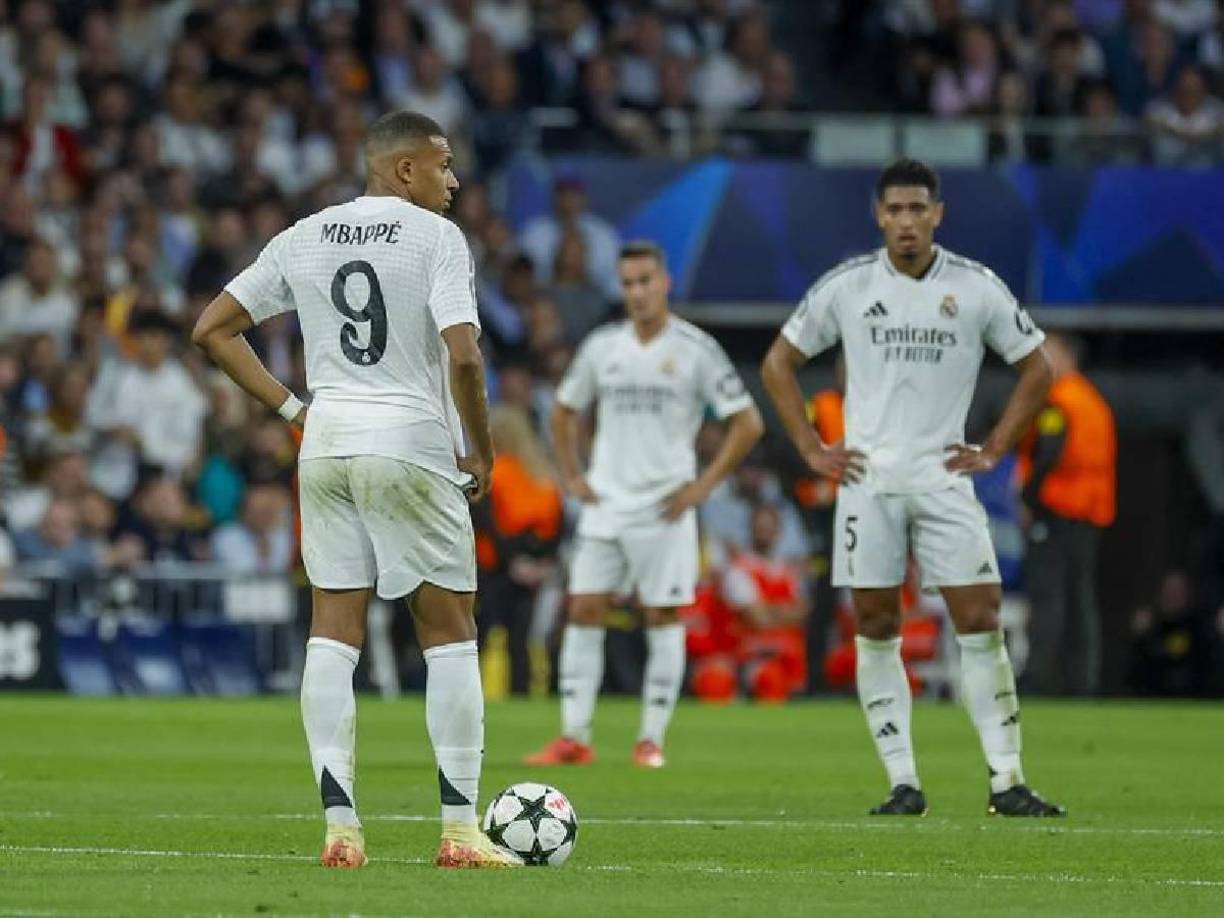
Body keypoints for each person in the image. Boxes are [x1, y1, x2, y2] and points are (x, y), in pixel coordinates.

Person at [192, 111, 518, 869]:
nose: (453, 180)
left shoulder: (305, 234)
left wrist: (291, 410)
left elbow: (211, 328)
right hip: (408, 439)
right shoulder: (437, 239)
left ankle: (341, 828)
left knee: (332, 631)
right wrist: (483, 447)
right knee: (449, 632)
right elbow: (464, 359)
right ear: (404, 170)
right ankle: (461, 832)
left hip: (329, 438)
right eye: (442, 165)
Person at [760, 159, 1066, 818]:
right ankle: (903, 781)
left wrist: (997, 449)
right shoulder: (847, 286)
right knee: (875, 625)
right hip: (868, 482)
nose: (906, 222)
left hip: (944, 477)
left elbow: (1037, 370)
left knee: (980, 618)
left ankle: (1007, 780)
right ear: (879, 216)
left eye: (917, 210)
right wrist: (812, 448)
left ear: (938, 214)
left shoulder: (975, 287)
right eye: (894, 210)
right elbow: (778, 363)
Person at [524, 239, 764, 769]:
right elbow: (564, 412)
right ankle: (574, 737)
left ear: (665, 283)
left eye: (644, 281)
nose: (636, 292)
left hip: (665, 506)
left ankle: (651, 738)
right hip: (606, 501)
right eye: (628, 284)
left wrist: (702, 488)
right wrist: (572, 474)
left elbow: (748, 422)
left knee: (662, 614)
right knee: (584, 608)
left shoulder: (696, 349)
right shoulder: (603, 347)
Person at [1016, 332, 1116, 697]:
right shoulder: (1092, 401)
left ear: (1065, 357)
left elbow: (1049, 454)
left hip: (1057, 509)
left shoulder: (1059, 401)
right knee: (1079, 598)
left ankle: (1040, 678)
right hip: (1090, 513)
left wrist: (1029, 500)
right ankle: (1081, 681)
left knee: (1048, 596)